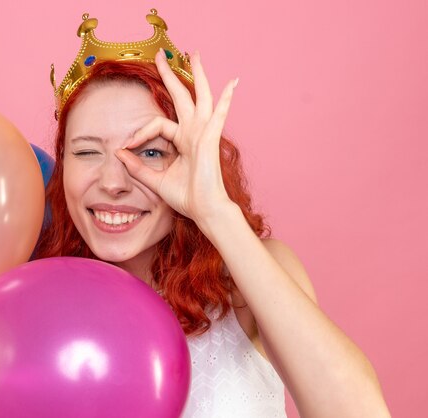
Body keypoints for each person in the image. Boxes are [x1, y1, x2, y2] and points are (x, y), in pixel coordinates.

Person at [36, 9, 390, 417]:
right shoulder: (37, 298)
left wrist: (215, 211)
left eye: (149, 152)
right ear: (63, 164)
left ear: (188, 158)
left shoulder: (246, 282)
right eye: (87, 152)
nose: (113, 183)